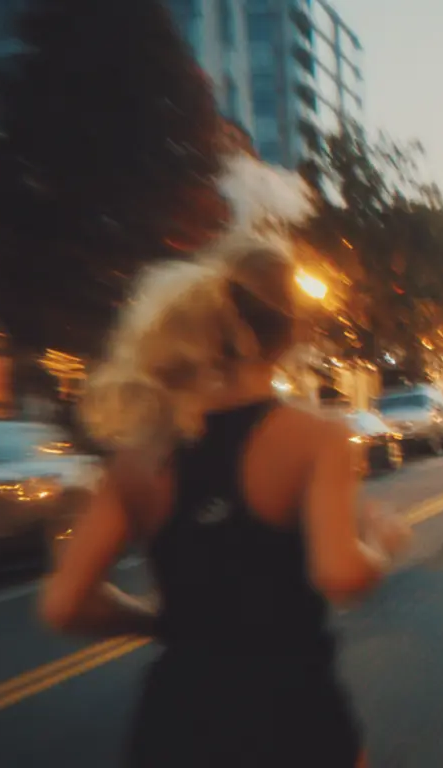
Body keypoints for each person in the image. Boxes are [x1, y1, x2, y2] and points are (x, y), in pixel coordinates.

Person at [39, 236, 411, 767]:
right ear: (293, 332)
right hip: (291, 719)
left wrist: (159, 622)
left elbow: (64, 603)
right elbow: (342, 575)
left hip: (174, 726)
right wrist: (382, 542)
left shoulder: (141, 451)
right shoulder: (315, 435)